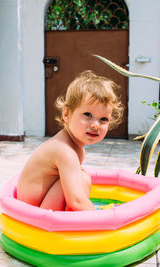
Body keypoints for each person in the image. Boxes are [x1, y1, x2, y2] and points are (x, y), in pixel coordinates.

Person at [17, 70, 123, 211]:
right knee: (82, 178)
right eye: (87, 114)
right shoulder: (64, 151)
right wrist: (100, 218)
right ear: (66, 114)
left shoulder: (73, 148)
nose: (95, 125)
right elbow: (76, 202)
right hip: (36, 217)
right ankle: (76, 223)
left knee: (81, 176)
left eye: (103, 119)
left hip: (39, 208)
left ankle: (75, 219)